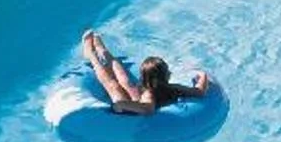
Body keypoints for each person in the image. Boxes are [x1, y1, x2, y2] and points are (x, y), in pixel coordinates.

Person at [81, 28, 210, 115]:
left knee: (114, 84)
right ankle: (98, 51)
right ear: (160, 78)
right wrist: (202, 75)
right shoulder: (164, 90)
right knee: (120, 80)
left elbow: (148, 109)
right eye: (167, 71)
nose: (170, 73)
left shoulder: (157, 92)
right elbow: (199, 91)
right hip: (135, 104)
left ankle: (96, 54)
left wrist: (120, 104)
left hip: (134, 106)